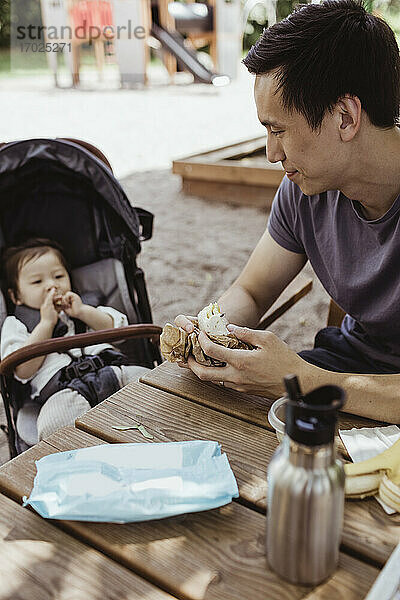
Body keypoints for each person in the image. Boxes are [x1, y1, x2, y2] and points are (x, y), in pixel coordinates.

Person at [176, 0, 400, 423]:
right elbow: (252, 291)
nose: (270, 153)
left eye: (278, 129)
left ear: (345, 117)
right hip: (345, 366)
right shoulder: (304, 190)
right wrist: (211, 332)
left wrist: (298, 376)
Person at [1, 238, 148, 446]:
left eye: (59, 276)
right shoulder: (17, 324)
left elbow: (119, 331)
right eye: (37, 282)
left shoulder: (84, 307)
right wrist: (46, 324)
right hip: (63, 393)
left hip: (115, 371)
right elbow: (21, 369)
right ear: (15, 296)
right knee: (53, 429)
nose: (52, 285)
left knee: (151, 385)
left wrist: (82, 312)